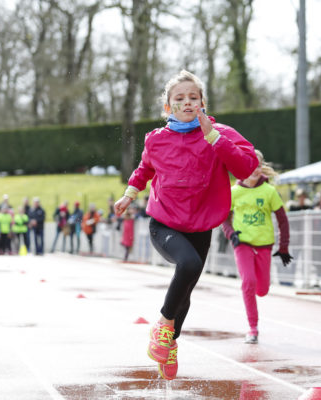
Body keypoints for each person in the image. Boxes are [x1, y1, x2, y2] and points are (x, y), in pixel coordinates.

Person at [114, 70, 258, 380]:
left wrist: (214, 138)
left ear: (203, 103)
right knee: (189, 264)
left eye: (193, 97)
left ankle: (170, 342)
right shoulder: (156, 139)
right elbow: (144, 168)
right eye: (179, 98)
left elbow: (247, 167)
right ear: (168, 107)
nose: (187, 102)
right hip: (164, 222)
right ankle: (163, 326)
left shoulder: (220, 134)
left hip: (201, 225)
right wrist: (129, 194)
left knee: (187, 288)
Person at [222, 150, 292, 344]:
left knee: (262, 290)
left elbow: (283, 220)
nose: (255, 169)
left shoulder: (269, 192)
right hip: (242, 243)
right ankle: (253, 328)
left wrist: (284, 247)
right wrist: (231, 234)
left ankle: (255, 295)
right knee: (248, 282)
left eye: (258, 165)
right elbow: (224, 218)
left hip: (264, 245)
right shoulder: (234, 192)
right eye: (250, 165)